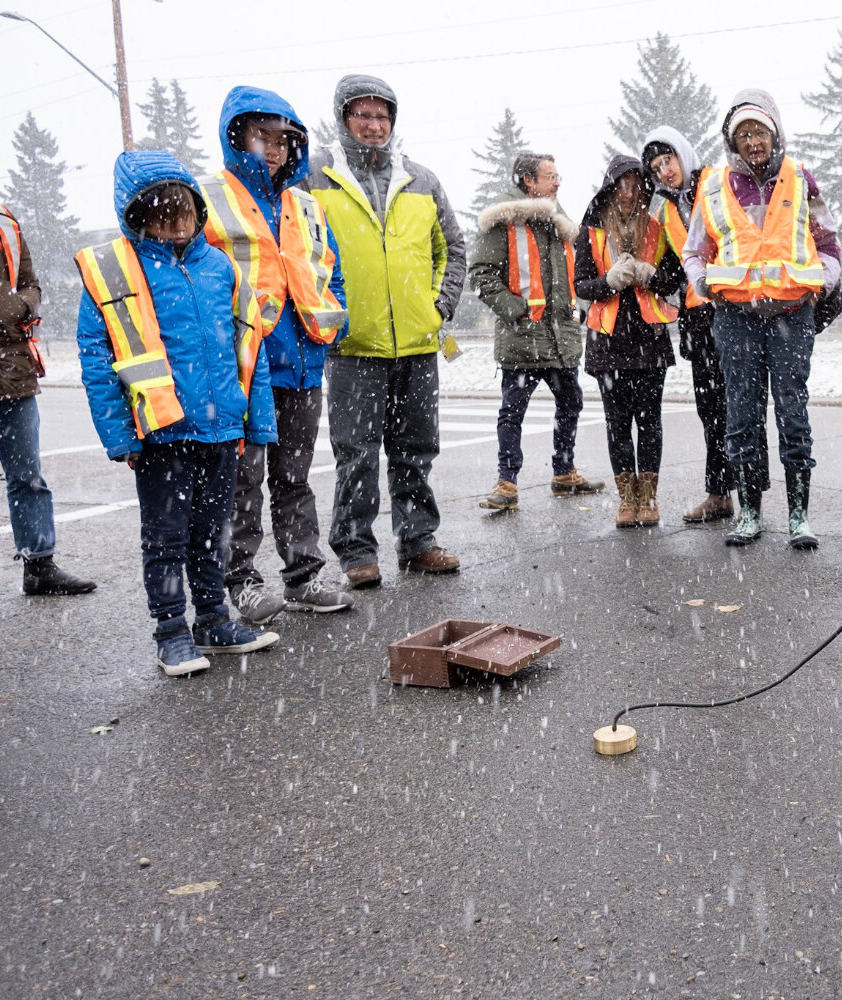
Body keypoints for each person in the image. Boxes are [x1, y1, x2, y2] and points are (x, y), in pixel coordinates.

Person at [75, 151, 279, 676]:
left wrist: (257, 422)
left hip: (220, 430)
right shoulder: (117, 270)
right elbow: (98, 360)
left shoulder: (220, 267)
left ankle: (212, 620)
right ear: (137, 215)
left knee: (214, 534)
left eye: (183, 207)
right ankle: (170, 633)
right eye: (161, 210)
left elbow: (248, 349)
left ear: (197, 208)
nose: (175, 219)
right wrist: (121, 434)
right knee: (165, 538)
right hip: (162, 433)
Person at [305, 74, 465, 588]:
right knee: (356, 453)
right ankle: (355, 551)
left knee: (415, 449)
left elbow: (453, 249)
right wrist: (328, 313)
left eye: (382, 116)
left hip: (418, 344)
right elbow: (299, 253)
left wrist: (438, 306)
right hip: (353, 346)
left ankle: (418, 542)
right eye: (363, 115)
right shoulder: (316, 179)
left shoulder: (422, 180)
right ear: (344, 119)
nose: (374, 125)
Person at [200, 85, 353, 623]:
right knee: (241, 480)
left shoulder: (304, 204)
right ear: (236, 135)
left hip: (303, 364)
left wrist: (336, 321)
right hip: (244, 370)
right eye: (261, 134)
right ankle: (239, 580)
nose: (273, 147)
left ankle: (303, 577)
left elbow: (329, 270)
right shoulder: (209, 198)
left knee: (294, 477)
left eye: (283, 138)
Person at [681, 89, 841, 549]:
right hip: (735, 318)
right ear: (733, 141)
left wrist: (822, 282)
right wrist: (702, 283)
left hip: (792, 314)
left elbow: (829, 242)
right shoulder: (712, 185)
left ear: (776, 133)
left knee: (793, 412)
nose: (754, 141)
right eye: (744, 133)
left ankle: (798, 514)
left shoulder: (801, 179)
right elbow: (695, 250)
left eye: (761, 131)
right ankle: (749, 509)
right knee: (741, 414)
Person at [469, 152, 603, 514]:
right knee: (512, 414)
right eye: (550, 176)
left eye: (558, 175)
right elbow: (480, 274)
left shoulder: (559, 224)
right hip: (522, 338)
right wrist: (517, 311)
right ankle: (506, 483)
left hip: (561, 339)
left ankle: (564, 472)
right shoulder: (504, 220)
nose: (558, 182)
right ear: (528, 181)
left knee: (571, 404)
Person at [574, 155, 685, 528]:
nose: (628, 193)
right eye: (621, 186)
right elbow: (581, 285)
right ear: (609, 190)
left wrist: (650, 275)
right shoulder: (590, 233)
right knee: (617, 422)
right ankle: (627, 500)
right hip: (607, 341)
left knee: (649, 421)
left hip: (649, 338)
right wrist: (609, 281)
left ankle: (649, 498)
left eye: (635, 186)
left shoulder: (655, 227)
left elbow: (673, 280)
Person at [0, 203, 95, 596]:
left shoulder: (6, 223)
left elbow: (32, 284)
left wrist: (19, 305)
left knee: (27, 475)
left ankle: (40, 564)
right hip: (10, 361)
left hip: (12, 369)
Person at [641, 126, 734, 524]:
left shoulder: (718, 183)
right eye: (656, 167)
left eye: (668, 161)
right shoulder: (662, 207)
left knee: (740, 409)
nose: (664, 171)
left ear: (683, 154)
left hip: (730, 308)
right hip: (697, 319)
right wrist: (648, 275)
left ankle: (750, 496)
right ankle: (718, 494)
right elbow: (672, 267)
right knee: (710, 410)